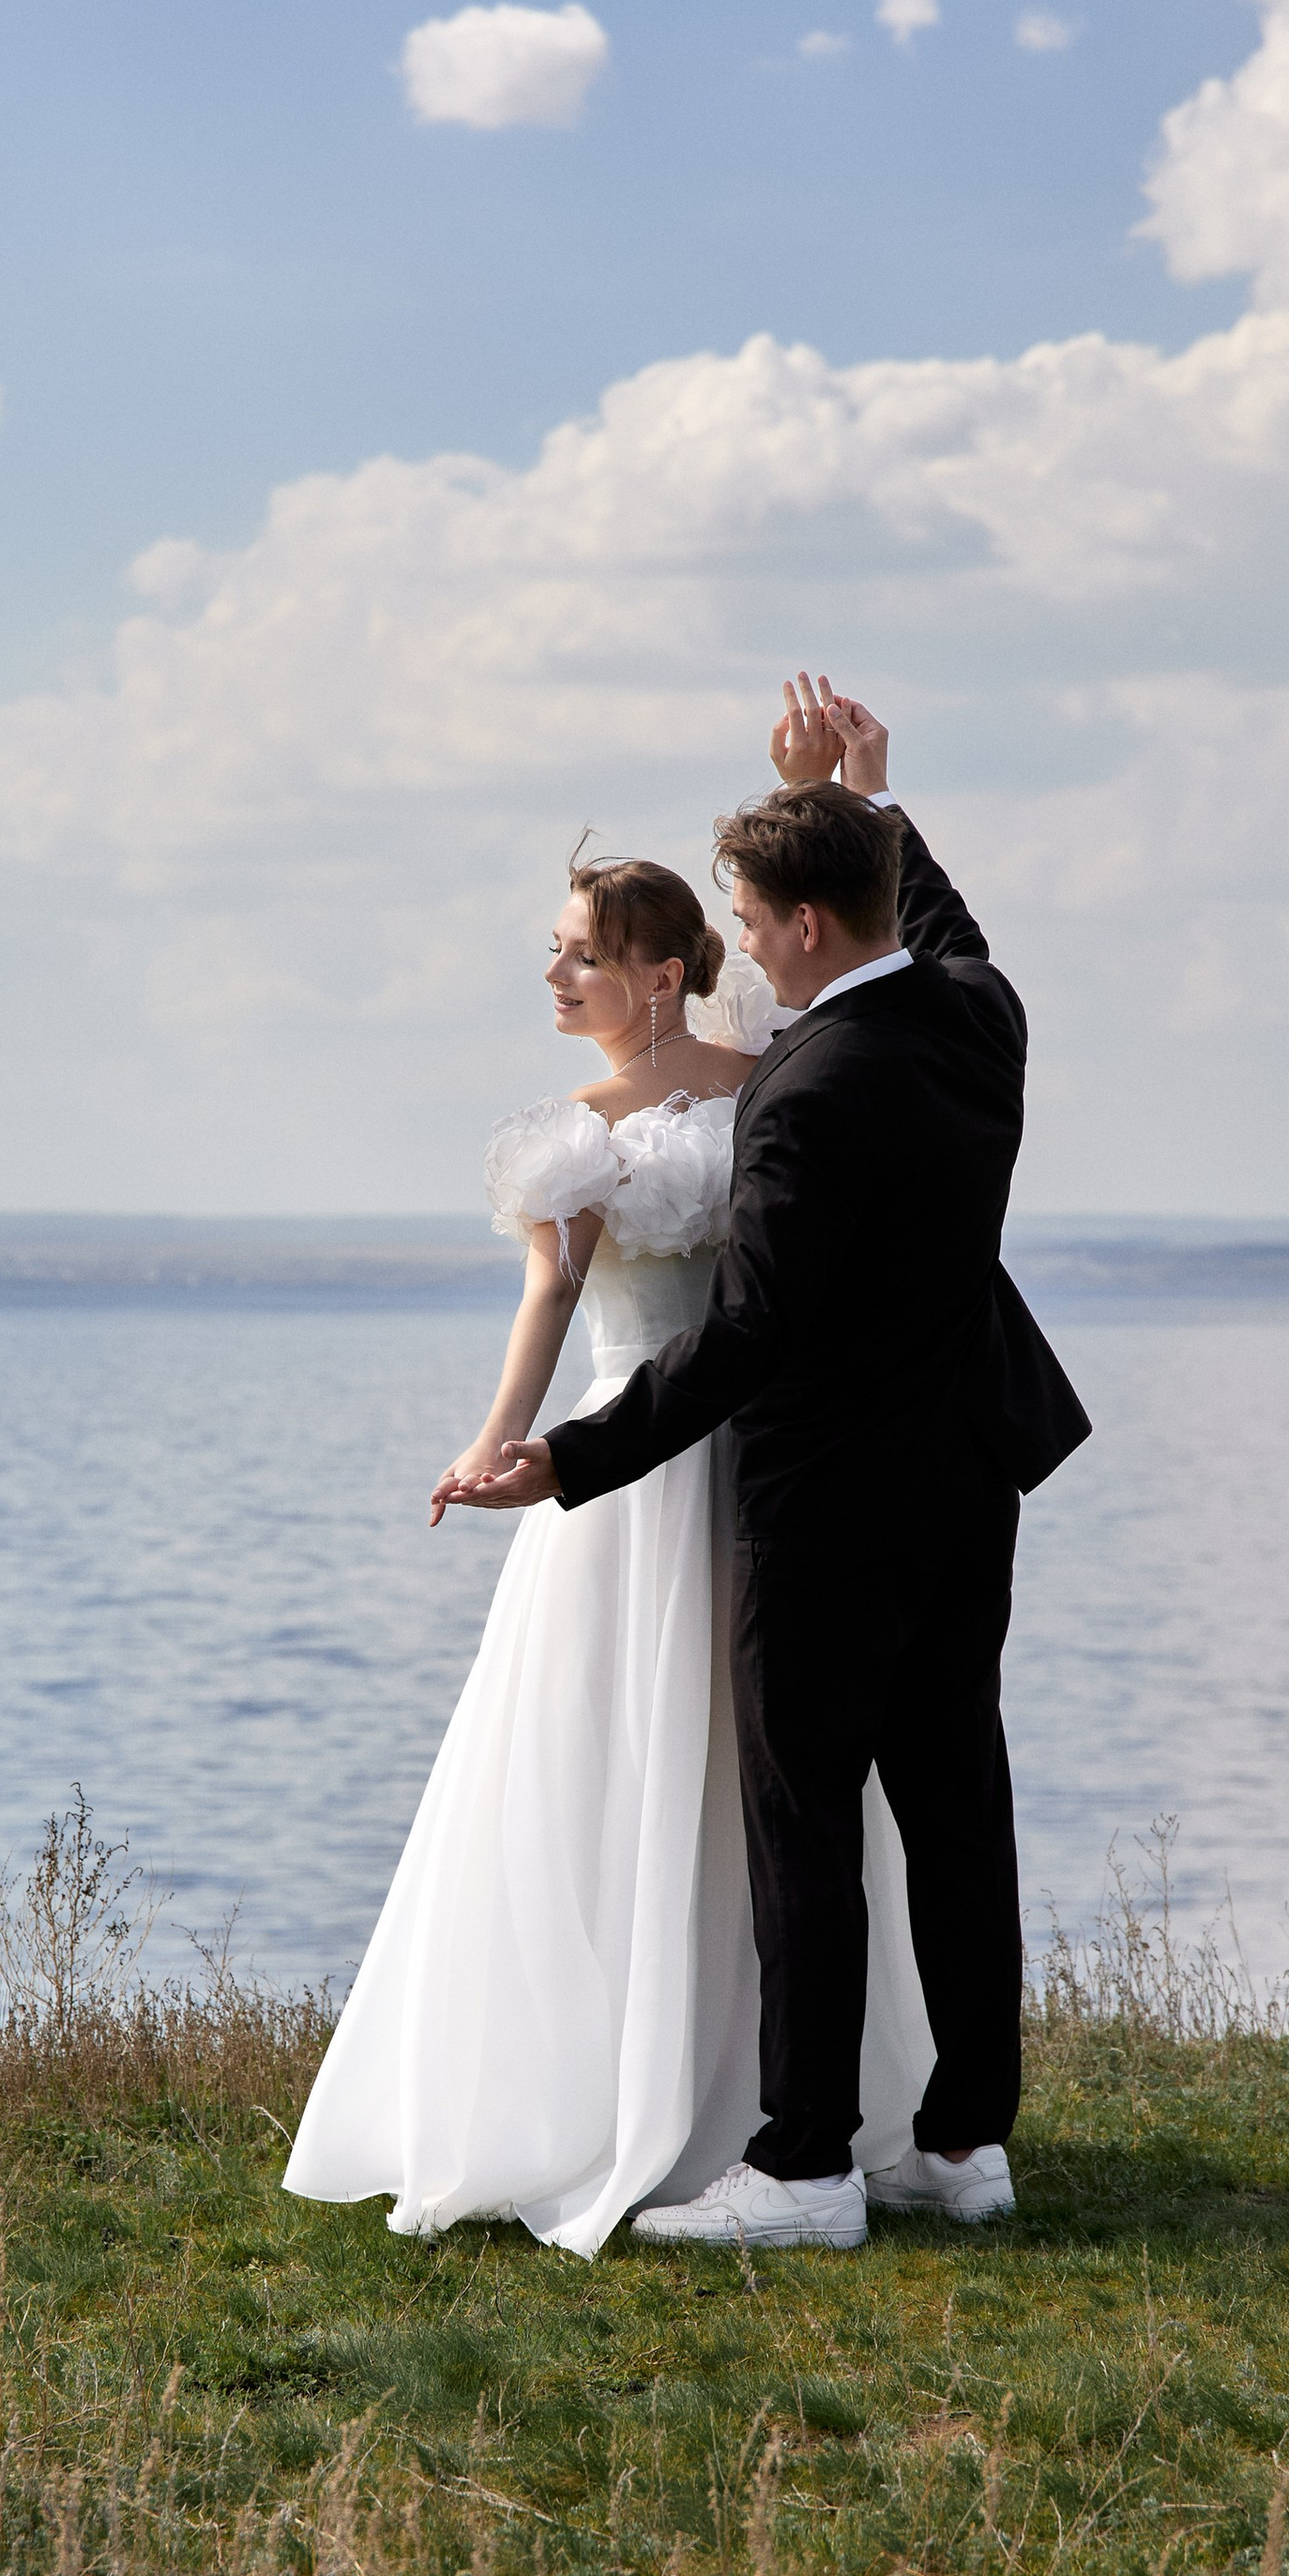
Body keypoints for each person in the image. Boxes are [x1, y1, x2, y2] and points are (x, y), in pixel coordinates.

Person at [442, 675, 1090, 2250]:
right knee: (956, 1806)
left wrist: (570, 1460)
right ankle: (963, 2146)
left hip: (826, 1508)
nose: (737, 937)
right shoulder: (977, 1017)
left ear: (799, 928)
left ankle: (804, 2165)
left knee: (804, 1823)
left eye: (745, 908)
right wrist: (872, 794)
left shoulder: (805, 1097)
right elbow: (950, 931)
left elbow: (748, 1337)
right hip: (971, 1480)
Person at [281, 811, 935, 2257]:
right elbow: (552, 1307)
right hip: (622, 1478)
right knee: (609, 1764)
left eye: (584, 957)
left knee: (769, 1787)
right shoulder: (570, 1137)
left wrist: (840, 790)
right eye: (557, 957)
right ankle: (598, 2096)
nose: (559, 980)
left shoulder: (773, 1071)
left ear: (660, 973)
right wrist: (496, 1438)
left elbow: (823, 967)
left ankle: (777, 2115)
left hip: (756, 1471)